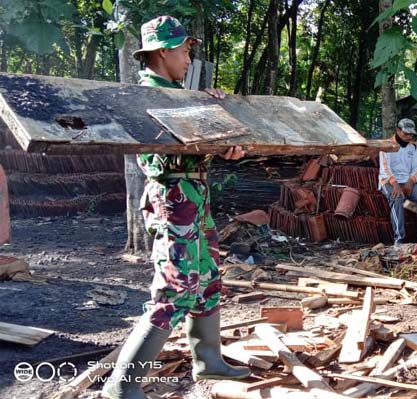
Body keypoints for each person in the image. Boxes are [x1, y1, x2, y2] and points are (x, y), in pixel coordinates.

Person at [103, 16, 250, 399]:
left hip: (196, 201)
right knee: (175, 288)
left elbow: (199, 151)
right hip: (172, 203)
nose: (188, 57)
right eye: (184, 50)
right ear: (163, 51)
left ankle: (209, 360)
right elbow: (155, 162)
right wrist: (206, 140)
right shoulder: (144, 98)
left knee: (207, 278)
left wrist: (217, 128)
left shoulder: (181, 95)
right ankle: (122, 386)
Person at [378, 118, 417, 246]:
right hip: (388, 181)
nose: (409, 136)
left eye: (411, 134)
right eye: (406, 133)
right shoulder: (386, 146)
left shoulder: (414, 148)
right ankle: (399, 239)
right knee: (397, 198)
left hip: (408, 180)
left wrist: (410, 182)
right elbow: (385, 168)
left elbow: (416, 168)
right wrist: (395, 185)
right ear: (398, 131)